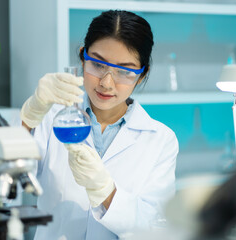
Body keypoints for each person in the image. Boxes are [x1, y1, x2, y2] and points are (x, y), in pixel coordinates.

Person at [20, 10, 179, 239]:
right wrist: (29, 116)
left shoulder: (161, 140)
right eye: (98, 64)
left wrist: (107, 192)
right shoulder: (50, 119)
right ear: (83, 56)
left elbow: (155, 229)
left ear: (142, 75)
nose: (106, 83)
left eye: (125, 71)